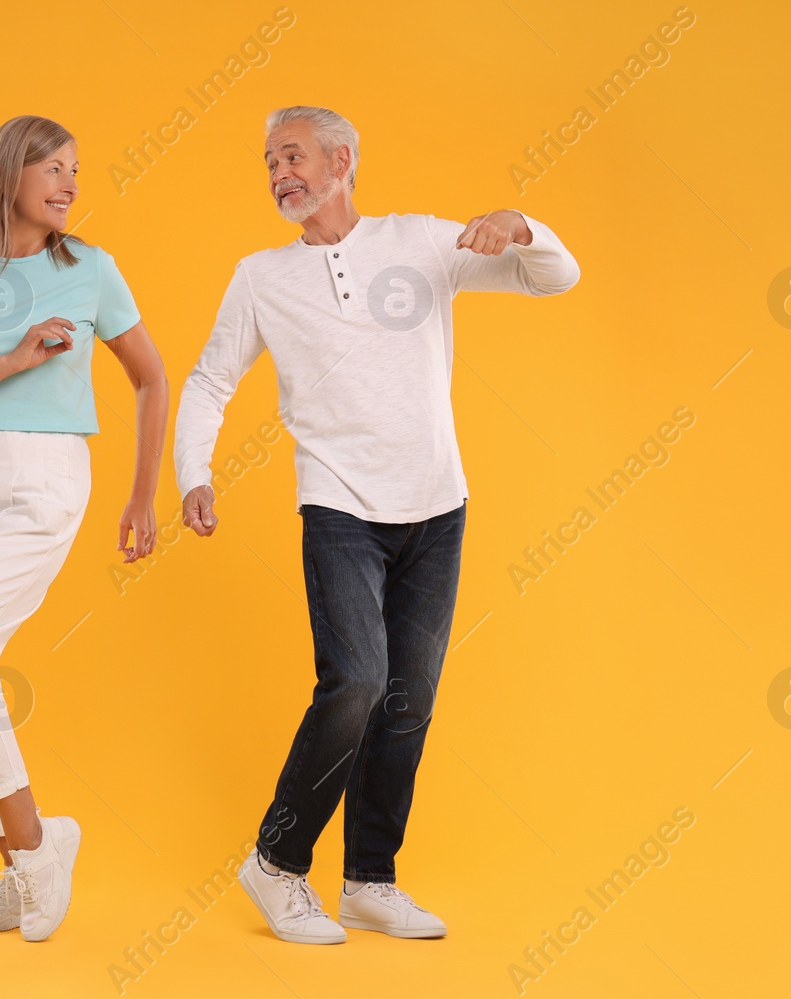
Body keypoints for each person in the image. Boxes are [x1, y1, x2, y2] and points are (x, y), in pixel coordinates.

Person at [173, 105, 580, 944]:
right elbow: (210, 380)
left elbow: (555, 277)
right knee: (356, 681)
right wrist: (194, 473)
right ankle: (279, 863)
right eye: (269, 162)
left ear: (343, 159)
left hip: (437, 503)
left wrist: (523, 223)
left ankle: (369, 880)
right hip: (338, 503)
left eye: (292, 155)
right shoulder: (261, 276)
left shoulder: (422, 242)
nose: (279, 173)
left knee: (407, 698)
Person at [0, 114, 168, 942]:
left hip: (43, 474)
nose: (70, 182)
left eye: (76, 168)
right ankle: (24, 862)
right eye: (52, 166)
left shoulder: (91, 270)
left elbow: (151, 379)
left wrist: (142, 495)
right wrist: (12, 359)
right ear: (9, 173)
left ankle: (39, 849)